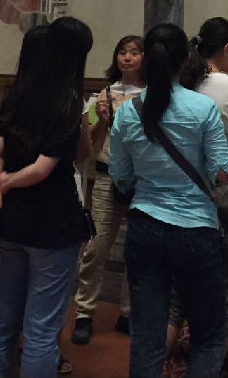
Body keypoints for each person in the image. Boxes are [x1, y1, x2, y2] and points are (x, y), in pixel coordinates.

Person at [109, 23, 228, 378]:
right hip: (195, 228)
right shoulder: (203, 108)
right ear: (185, 60)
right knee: (209, 335)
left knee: (147, 336)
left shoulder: (127, 112)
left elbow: (120, 177)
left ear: (147, 60)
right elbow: (221, 174)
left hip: (144, 226)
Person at [0, 17, 93, 378]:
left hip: (13, 220)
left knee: (5, 317)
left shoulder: (18, 95)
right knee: (42, 329)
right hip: (51, 223)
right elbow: (44, 169)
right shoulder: (67, 102)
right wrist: (10, 183)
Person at [169, 17, 228, 351]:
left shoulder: (181, 83)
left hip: (182, 184)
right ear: (226, 49)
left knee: (177, 288)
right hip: (227, 187)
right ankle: (210, 358)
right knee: (224, 282)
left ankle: (157, 359)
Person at [72, 34, 145, 345]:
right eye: (122, 52)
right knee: (96, 246)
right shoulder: (101, 95)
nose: (127, 57)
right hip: (106, 177)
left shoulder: (153, 96)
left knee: (136, 250)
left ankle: (129, 311)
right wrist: (100, 119)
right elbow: (86, 136)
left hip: (142, 181)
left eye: (134, 52)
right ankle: (84, 312)